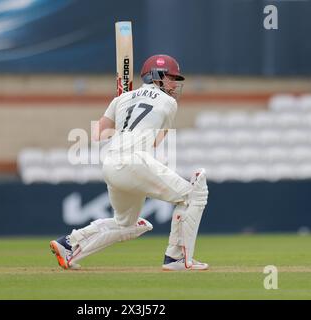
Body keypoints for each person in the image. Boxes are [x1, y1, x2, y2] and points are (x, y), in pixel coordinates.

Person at [50, 54, 209, 271]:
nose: (174, 84)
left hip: (111, 164)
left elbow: (99, 133)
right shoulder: (169, 103)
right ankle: (176, 259)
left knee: (127, 225)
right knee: (192, 196)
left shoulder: (121, 99)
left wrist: (124, 121)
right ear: (157, 76)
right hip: (134, 161)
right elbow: (155, 142)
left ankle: (69, 243)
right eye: (171, 78)